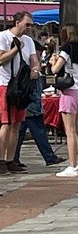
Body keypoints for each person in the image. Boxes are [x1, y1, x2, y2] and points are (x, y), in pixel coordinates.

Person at [14, 39, 66, 168]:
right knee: (38, 132)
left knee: (20, 133)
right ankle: (49, 157)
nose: (39, 54)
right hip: (31, 105)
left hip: (29, 105)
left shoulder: (33, 67)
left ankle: (14, 158)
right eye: (39, 52)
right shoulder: (29, 68)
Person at [0, 11, 39, 174]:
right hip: (5, 84)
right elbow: (1, 59)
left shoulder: (28, 41)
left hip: (21, 87)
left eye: (31, 25)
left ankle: (11, 159)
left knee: (17, 123)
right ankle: (1, 159)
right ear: (17, 22)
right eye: (27, 24)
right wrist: (16, 49)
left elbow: (33, 59)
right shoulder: (3, 37)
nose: (29, 28)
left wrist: (35, 69)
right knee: (6, 123)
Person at [50, 24, 78, 178]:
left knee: (70, 131)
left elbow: (55, 70)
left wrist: (53, 61)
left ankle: (72, 165)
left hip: (70, 91)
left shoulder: (67, 49)